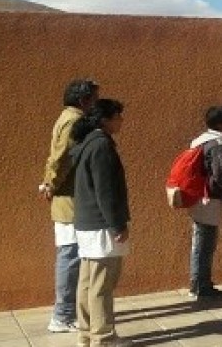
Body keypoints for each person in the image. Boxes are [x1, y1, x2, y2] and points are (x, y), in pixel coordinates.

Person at [39, 78, 99, 333]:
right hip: (68, 199)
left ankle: (68, 311)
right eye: (94, 98)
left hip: (68, 197)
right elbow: (61, 156)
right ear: (83, 100)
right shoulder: (74, 120)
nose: (96, 103)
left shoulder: (66, 116)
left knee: (70, 254)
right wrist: (50, 183)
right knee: (70, 255)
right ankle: (62, 315)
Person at [70, 99, 131, 347]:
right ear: (105, 119)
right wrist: (118, 225)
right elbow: (106, 191)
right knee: (101, 284)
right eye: (118, 115)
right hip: (101, 224)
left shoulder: (87, 144)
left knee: (88, 282)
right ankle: (103, 337)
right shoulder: (101, 146)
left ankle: (87, 333)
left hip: (88, 223)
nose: (121, 120)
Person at [188, 106, 222, 298]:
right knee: (205, 243)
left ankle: (198, 282)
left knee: (199, 240)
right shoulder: (217, 142)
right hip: (209, 198)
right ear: (221, 124)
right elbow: (220, 174)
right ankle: (202, 285)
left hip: (197, 196)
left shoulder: (199, 140)